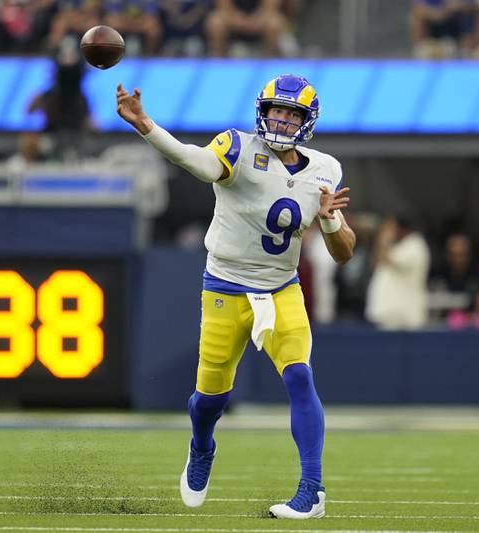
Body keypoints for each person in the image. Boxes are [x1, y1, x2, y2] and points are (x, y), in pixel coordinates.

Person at [116, 74, 355, 519]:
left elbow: (344, 253)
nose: (281, 121)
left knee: (300, 377)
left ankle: (312, 490)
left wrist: (328, 222)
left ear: (307, 121)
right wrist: (145, 125)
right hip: (225, 287)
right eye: (276, 111)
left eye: (291, 114)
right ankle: (202, 446)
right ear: (262, 112)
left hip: (281, 289)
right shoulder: (237, 147)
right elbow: (196, 162)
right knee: (210, 399)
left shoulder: (326, 169)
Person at [364, 214, 431, 330]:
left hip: (405, 315)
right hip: (392, 315)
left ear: (400, 229)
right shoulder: (399, 246)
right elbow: (375, 263)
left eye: (390, 228)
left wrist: (384, 240)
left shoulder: (415, 245)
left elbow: (390, 260)